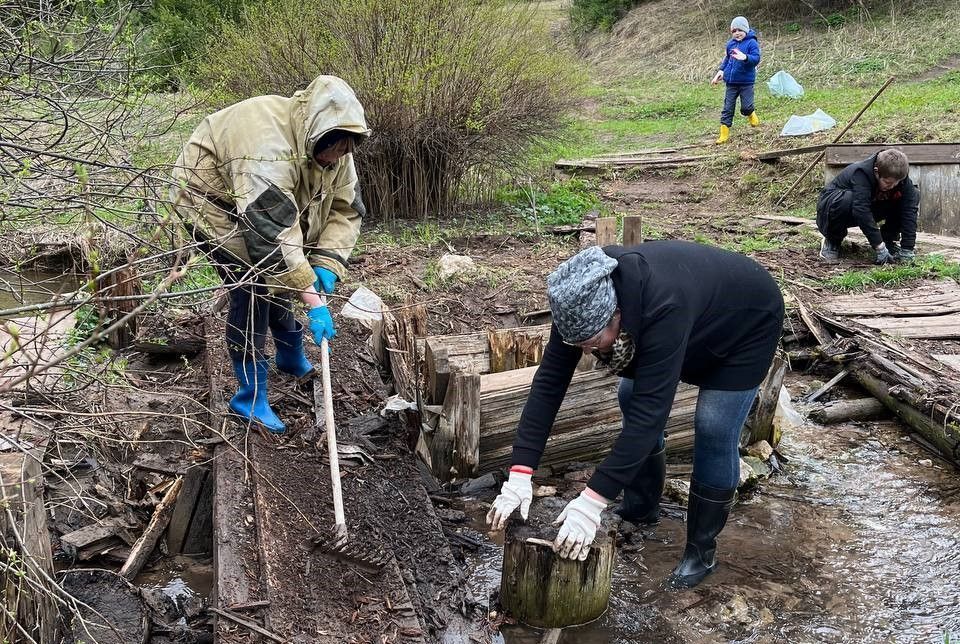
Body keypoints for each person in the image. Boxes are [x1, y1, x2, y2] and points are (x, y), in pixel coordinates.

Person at [486, 241, 783, 589]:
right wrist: (520, 473)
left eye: (593, 343)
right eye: (579, 345)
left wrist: (592, 501)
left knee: (714, 426)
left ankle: (700, 553)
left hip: (746, 325)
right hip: (694, 314)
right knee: (629, 394)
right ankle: (642, 509)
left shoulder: (663, 305)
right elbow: (549, 384)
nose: (587, 352)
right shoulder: (577, 299)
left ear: (617, 315)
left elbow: (650, 417)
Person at [170, 75, 370, 434]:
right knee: (252, 287)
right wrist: (313, 302)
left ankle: (289, 355)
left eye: (344, 151)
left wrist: (326, 262)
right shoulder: (268, 149)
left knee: (282, 275)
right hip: (209, 204)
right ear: (315, 135)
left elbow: (346, 209)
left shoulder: (338, 144)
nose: (337, 158)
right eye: (332, 151)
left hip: (260, 210)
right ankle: (250, 397)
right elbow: (272, 236)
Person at [817, 148, 919, 265]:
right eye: (888, 183)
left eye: (897, 183)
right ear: (876, 172)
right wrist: (879, 247)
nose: (892, 186)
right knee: (846, 200)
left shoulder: (900, 177)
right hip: (835, 207)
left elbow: (909, 211)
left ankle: (887, 240)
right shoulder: (861, 173)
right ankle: (832, 240)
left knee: (912, 195)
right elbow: (861, 210)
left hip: (867, 206)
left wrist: (907, 249)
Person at [711, 16, 761, 144]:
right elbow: (727, 60)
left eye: (740, 30)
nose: (737, 33)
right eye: (734, 31)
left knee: (746, 107)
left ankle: (751, 113)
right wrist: (721, 71)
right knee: (727, 108)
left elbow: (756, 59)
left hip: (746, 83)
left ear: (746, 30)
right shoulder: (730, 44)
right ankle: (724, 134)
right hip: (731, 83)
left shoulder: (752, 43)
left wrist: (745, 57)